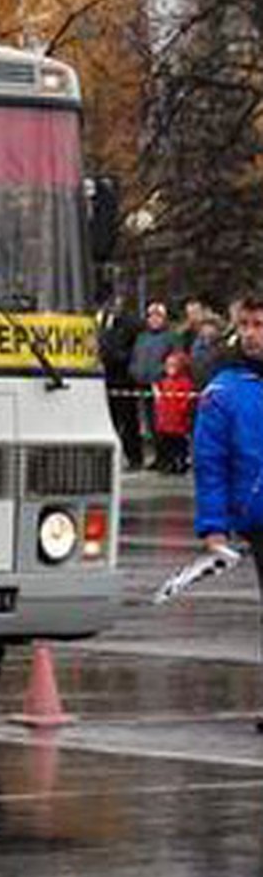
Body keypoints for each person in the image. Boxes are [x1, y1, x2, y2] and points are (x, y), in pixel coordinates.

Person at [193, 293, 263, 729]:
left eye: (260, 324)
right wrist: (213, 528)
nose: (253, 334)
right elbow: (210, 464)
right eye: (247, 325)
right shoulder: (223, 392)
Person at [97, 288, 143, 470]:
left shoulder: (130, 323)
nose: (113, 306)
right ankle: (111, 457)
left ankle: (134, 457)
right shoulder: (100, 321)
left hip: (123, 377)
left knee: (129, 419)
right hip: (105, 377)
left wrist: (118, 355)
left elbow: (135, 348)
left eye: (116, 302)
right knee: (111, 419)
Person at [130, 301, 178, 469]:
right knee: (150, 423)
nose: (154, 319)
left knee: (163, 423)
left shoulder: (171, 337)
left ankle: (167, 457)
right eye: (151, 316)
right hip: (142, 385)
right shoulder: (142, 337)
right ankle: (157, 457)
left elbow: (174, 360)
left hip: (162, 386)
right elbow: (135, 357)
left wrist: (161, 375)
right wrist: (135, 371)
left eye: (158, 316)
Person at [153, 349, 195, 473]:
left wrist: (182, 413)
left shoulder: (185, 383)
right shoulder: (165, 382)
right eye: (168, 366)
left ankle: (180, 462)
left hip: (178, 421)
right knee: (167, 444)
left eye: (173, 365)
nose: (170, 368)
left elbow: (185, 401)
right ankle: (168, 463)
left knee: (179, 444)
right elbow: (161, 401)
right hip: (165, 420)